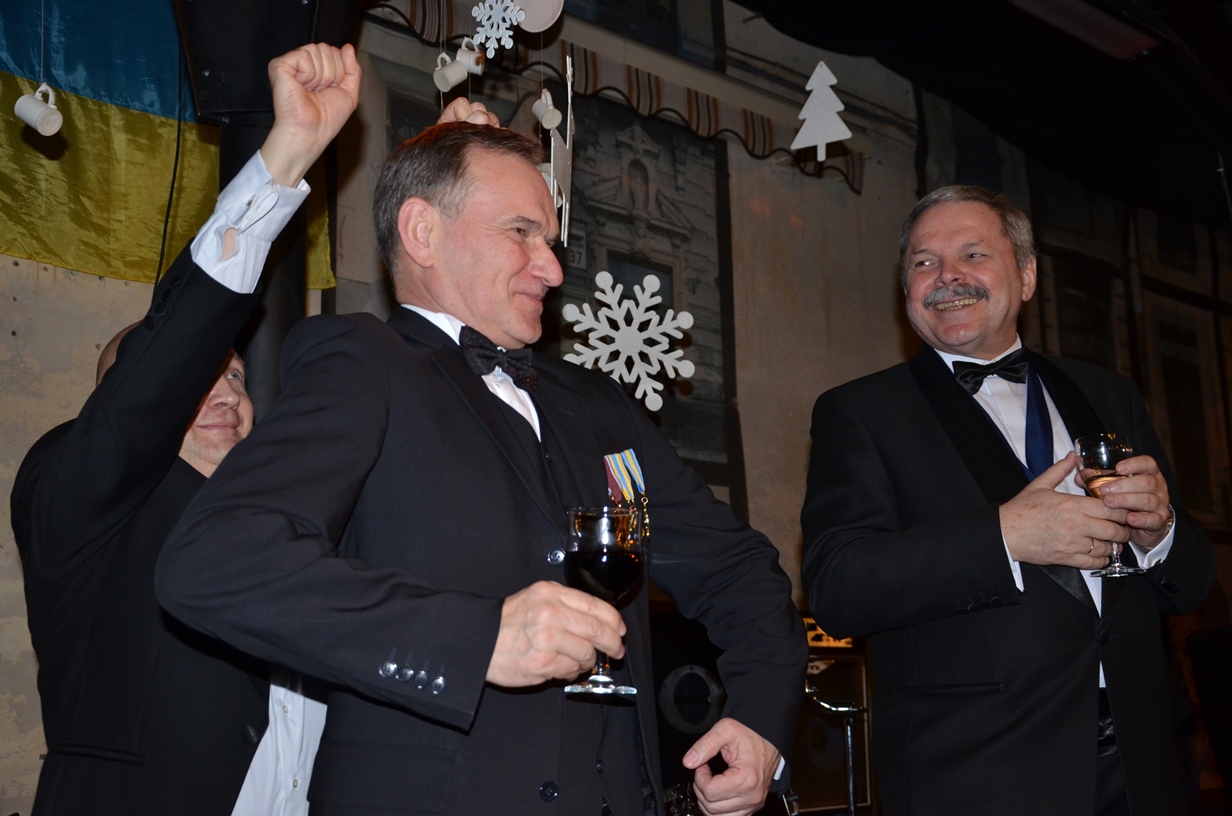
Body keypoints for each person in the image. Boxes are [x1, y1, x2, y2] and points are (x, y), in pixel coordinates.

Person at [154, 122, 807, 815]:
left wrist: (761, 719)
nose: (552, 269)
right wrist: (477, 639)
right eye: (520, 232)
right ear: (422, 232)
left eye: (550, 242)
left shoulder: (601, 407)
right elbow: (214, 561)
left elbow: (735, 568)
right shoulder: (365, 364)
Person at [11, 42, 361, 815]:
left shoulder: (298, 519)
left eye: (235, 375)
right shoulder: (75, 500)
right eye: (194, 380)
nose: (222, 389)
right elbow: (155, 382)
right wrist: (285, 158)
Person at [800, 185, 1217, 816]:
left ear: (1026, 276)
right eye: (924, 262)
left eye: (973, 254)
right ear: (906, 289)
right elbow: (837, 586)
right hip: (981, 775)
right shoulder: (859, 412)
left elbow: (1193, 585)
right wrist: (1003, 538)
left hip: (1146, 770)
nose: (947, 276)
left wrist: (1158, 533)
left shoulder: (1111, 395)